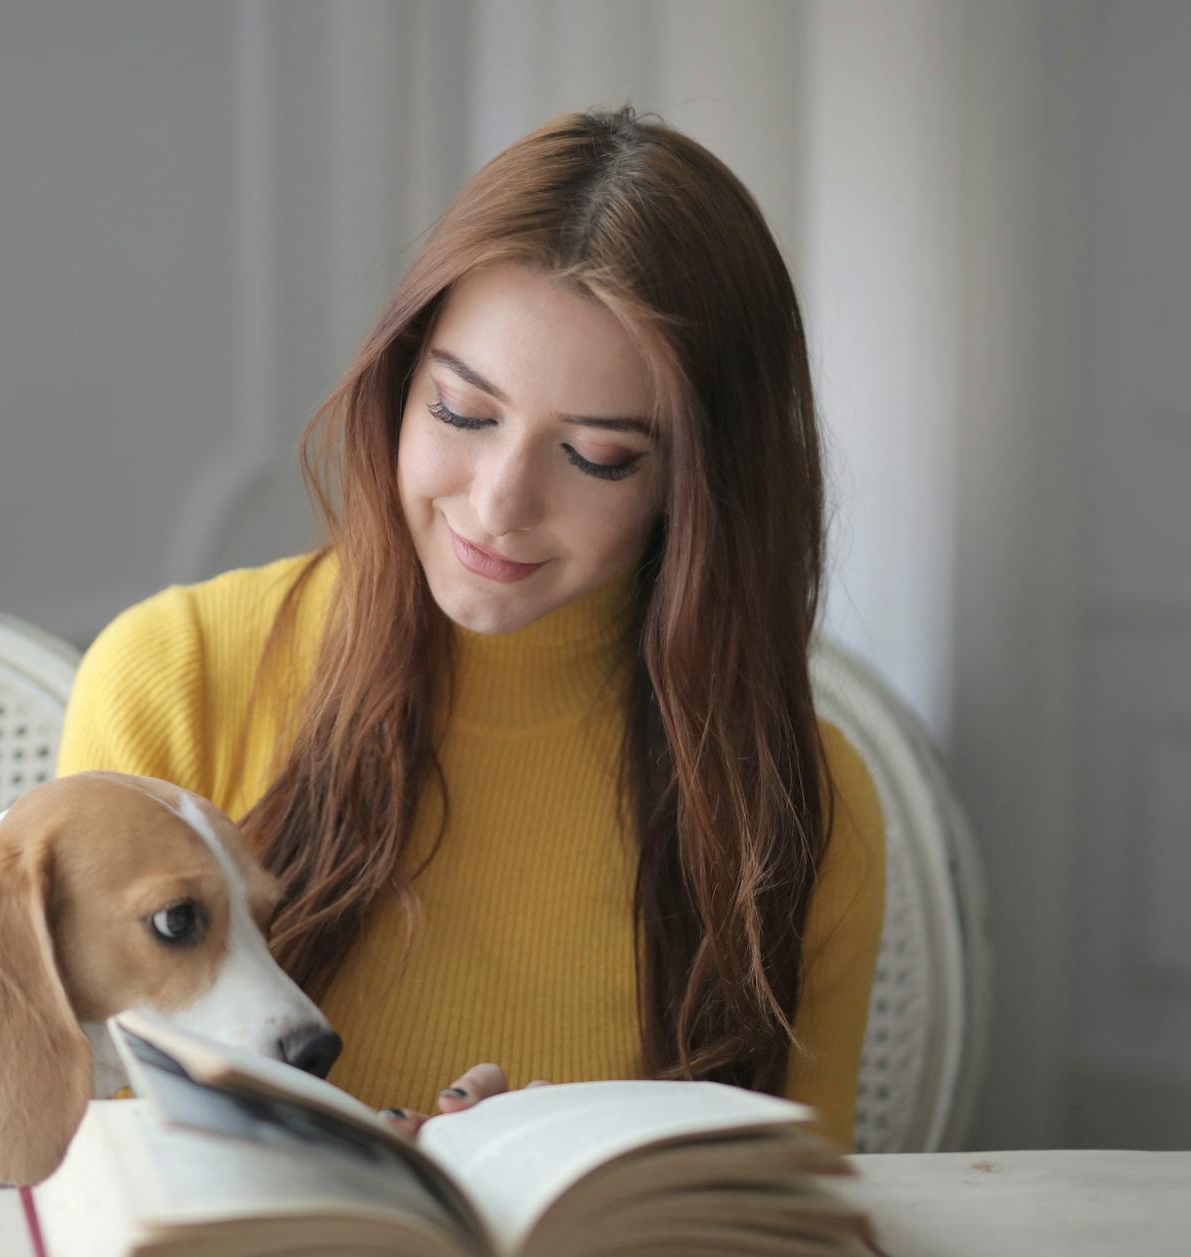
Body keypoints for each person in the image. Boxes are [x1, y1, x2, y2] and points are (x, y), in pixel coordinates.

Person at [57, 105, 885, 1150]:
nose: (498, 504)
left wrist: (549, 1174)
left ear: (700, 487)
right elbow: (97, 1161)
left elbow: (788, 1213)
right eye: (461, 410)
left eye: (595, 456)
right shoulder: (175, 678)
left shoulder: (807, 798)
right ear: (401, 383)